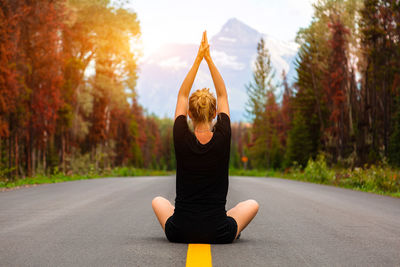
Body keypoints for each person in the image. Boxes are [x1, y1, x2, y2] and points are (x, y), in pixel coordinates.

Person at [152, 31, 259, 244]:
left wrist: (197, 59)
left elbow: (182, 95)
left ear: (189, 114)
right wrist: (209, 59)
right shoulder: (223, 135)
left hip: (179, 231)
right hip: (218, 232)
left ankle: (192, 219)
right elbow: (222, 95)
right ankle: (224, 223)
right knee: (251, 204)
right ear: (214, 115)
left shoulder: (180, 135)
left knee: (158, 201)